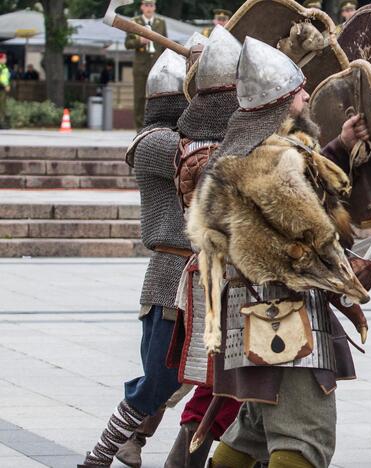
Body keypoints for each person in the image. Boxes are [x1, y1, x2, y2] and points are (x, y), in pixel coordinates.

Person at [191, 37, 371, 468]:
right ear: (280, 101)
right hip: (287, 318)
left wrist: (340, 146)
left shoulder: (236, 150)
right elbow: (315, 235)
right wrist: (351, 282)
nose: (309, 96)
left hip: (249, 311)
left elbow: (295, 187)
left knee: (253, 429)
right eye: (299, 91)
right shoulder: (275, 159)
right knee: (303, 436)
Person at [78, 49, 190, 468]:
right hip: (171, 277)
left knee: (220, 380)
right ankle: (102, 452)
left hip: (206, 275)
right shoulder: (155, 143)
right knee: (161, 377)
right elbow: (206, 158)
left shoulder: (184, 138)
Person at [125, 0, 167, 129]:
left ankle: (155, 126)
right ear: (142, 7)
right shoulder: (134, 21)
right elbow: (128, 44)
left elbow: (165, 44)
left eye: (151, 5)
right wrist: (140, 41)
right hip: (141, 66)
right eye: (146, 5)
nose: (149, 8)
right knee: (139, 98)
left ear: (154, 7)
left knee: (157, 97)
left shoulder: (161, 23)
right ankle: (139, 128)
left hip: (157, 66)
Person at [0, 52, 10, 129]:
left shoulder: (3, 66)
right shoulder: (2, 67)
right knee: (2, 106)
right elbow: (2, 78)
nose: (5, 59)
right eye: (4, 58)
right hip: (1, 88)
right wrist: (6, 85)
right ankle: (2, 123)